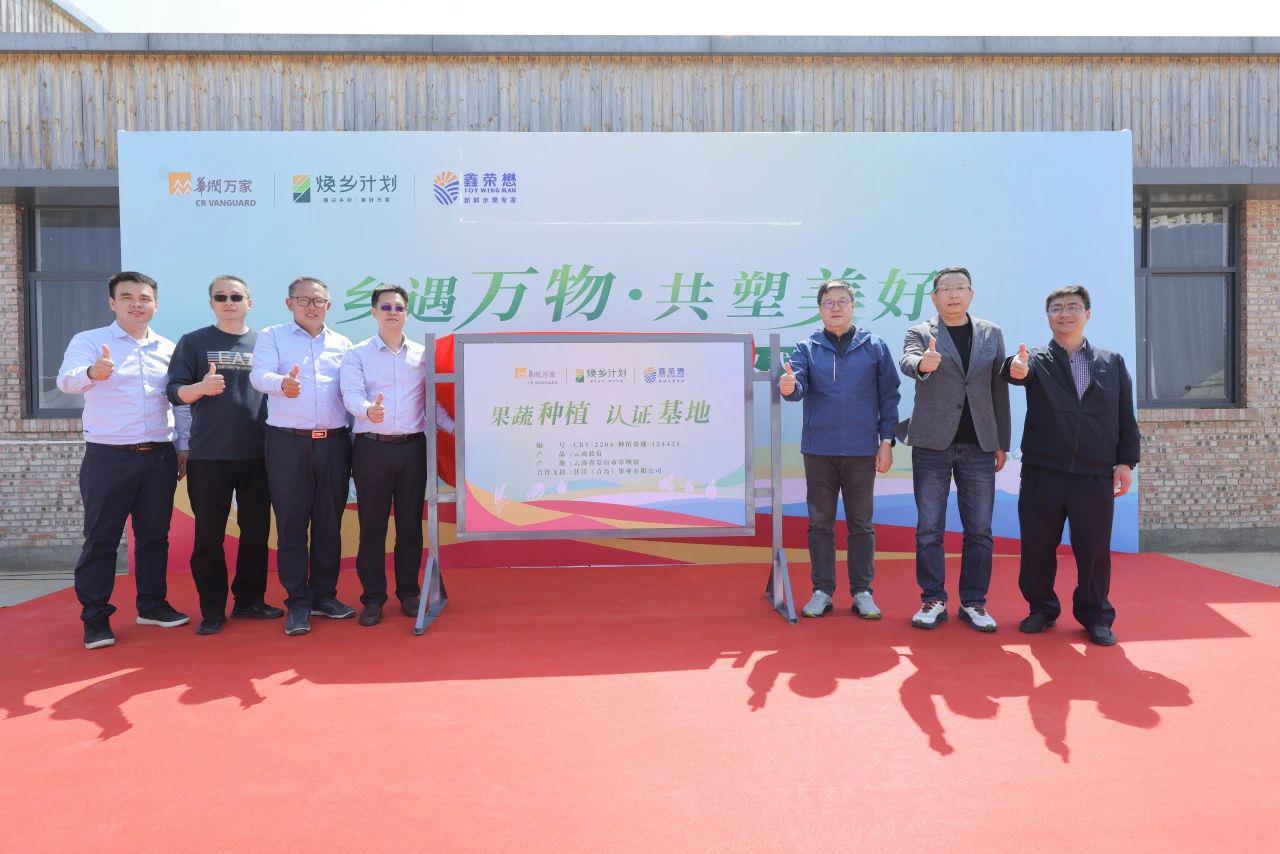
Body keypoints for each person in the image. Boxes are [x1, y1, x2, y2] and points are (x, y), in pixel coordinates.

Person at [56, 271, 191, 649]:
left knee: (154, 536)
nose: (136, 304)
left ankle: (152, 604)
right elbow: (66, 381)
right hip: (108, 456)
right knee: (101, 538)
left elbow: (178, 402)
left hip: (159, 455)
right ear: (112, 303)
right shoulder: (89, 341)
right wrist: (91, 373)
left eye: (144, 298)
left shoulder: (168, 348)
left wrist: (183, 446)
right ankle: (95, 616)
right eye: (127, 297)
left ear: (155, 305)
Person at [1002, 285, 1140, 646]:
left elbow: (1125, 414)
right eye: (1057, 308)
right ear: (1048, 316)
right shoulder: (1036, 359)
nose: (1065, 314)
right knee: (1037, 546)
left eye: (1073, 307)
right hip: (1043, 471)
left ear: (1087, 314)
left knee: (1094, 551)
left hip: (1094, 473)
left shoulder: (1111, 361)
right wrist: (1015, 367)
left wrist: (1126, 461)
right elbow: (1014, 372)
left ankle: (1096, 616)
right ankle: (1041, 609)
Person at [897, 267, 1011, 632]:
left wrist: (1002, 440)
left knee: (979, 529)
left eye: (960, 287)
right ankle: (932, 599)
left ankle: (974, 602)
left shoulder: (991, 333)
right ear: (934, 297)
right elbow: (908, 360)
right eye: (945, 289)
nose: (953, 294)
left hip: (980, 443)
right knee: (929, 528)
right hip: (931, 443)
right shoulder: (920, 332)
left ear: (971, 294)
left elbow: (998, 389)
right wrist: (922, 364)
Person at [167, 275, 281, 636]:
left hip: (258, 454)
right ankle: (212, 610)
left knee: (256, 533)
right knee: (208, 537)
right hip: (209, 456)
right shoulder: (194, 341)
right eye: (221, 297)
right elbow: (173, 391)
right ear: (211, 303)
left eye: (236, 296)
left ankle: (249, 600)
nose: (229, 302)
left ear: (250, 302)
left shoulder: (266, 342)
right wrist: (199, 388)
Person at [780, 279, 901, 620]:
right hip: (819, 449)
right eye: (828, 302)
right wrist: (789, 387)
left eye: (842, 301)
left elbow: (889, 396)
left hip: (862, 450)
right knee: (820, 524)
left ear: (853, 306)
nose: (835, 307)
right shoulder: (807, 347)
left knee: (861, 524)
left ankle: (863, 592)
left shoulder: (874, 346)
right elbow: (797, 387)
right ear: (820, 309)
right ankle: (822, 591)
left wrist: (886, 441)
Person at [340, 284, 455, 627]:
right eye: (386, 307)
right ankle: (373, 598)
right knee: (372, 526)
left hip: (412, 449)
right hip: (371, 448)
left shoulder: (422, 355)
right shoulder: (357, 354)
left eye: (399, 307)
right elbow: (350, 395)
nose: (392, 312)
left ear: (407, 313)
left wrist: (457, 428)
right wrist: (367, 410)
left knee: (410, 526)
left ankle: (408, 593)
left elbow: (432, 406)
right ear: (373, 312)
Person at [250, 276, 355, 636]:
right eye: (304, 300)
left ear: (329, 305)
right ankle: (297, 601)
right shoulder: (273, 336)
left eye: (318, 301)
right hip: (288, 443)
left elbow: (351, 393)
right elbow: (259, 376)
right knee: (292, 522)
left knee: (329, 521)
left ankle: (325, 595)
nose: (312, 306)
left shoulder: (343, 344)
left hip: (334, 443)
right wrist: (282, 383)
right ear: (289, 303)